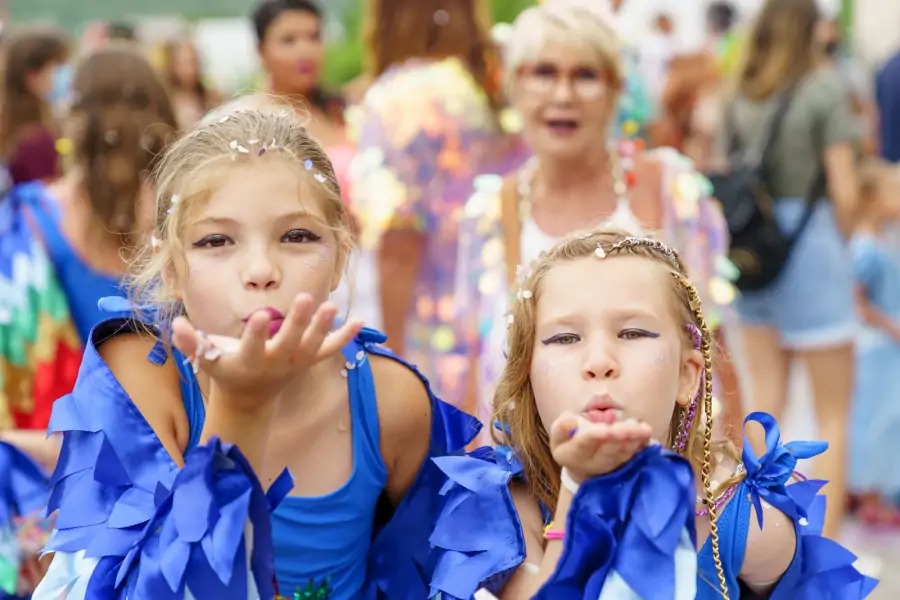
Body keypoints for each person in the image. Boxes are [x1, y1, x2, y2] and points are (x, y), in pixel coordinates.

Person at [30, 108, 520, 600]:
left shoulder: (391, 401)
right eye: (216, 240)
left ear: (341, 257)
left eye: (297, 236)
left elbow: (433, 578)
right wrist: (240, 410)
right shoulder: (142, 378)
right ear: (173, 269)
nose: (261, 270)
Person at [489, 229, 876, 598]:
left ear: (685, 376)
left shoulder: (742, 519)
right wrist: (576, 485)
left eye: (632, 333)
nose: (599, 362)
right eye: (565, 338)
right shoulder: (511, 509)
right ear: (526, 375)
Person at [455, 0, 741, 441]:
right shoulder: (492, 212)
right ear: (513, 86)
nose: (562, 95)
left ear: (615, 89)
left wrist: (726, 468)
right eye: (543, 73)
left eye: (585, 75)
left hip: (663, 469)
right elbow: (475, 363)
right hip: (530, 481)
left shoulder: (669, 190)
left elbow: (712, 342)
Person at [0, 43, 178, 598]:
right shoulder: (193, 231)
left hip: (46, 471)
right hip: (162, 482)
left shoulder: (29, 218)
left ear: (74, 120)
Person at [722, 0, 859, 538]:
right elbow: (845, 189)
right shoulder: (823, 90)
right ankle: (826, 547)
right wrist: (842, 234)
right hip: (810, 245)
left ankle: (762, 538)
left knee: (766, 402)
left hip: (751, 251)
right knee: (832, 414)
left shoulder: (740, 91)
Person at [349, 0, 523, 403]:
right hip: (496, 322)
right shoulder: (482, 87)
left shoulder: (399, 98)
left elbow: (399, 238)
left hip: (433, 335)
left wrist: (391, 361)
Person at [848, 159, 900, 526]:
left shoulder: (884, 239)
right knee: (877, 419)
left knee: (890, 418)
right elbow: (855, 300)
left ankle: (881, 488)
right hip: (877, 346)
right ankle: (869, 492)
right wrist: (889, 324)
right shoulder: (865, 247)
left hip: (888, 346)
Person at [0, 25, 69, 186]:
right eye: (56, 67)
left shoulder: (10, 126)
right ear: (32, 75)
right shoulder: (37, 140)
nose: (62, 75)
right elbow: (48, 200)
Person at [162, 33, 221, 130]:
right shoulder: (166, 100)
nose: (189, 70)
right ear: (172, 64)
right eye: (183, 63)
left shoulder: (212, 98)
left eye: (193, 62)